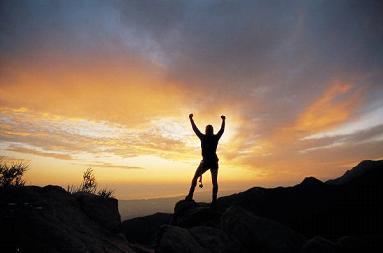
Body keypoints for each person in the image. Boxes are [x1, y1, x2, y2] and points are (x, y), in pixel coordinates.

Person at [185, 113, 225, 204]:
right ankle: (214, 201)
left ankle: (190, 196)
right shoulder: (215, 138)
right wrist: (223, 120)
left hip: (206, 162)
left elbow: (195, 129)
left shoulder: (203, 137)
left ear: (206, 130)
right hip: (214, 162)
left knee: (195, 178)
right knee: (214, 182)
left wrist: (191, 119)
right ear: (212, 130)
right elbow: (222, 130)